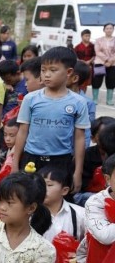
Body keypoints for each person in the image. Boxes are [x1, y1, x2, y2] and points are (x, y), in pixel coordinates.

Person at [11, 47, 89, 192]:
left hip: (60, 160)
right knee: (29, 197)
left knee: (55, 199)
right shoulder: (31, 99)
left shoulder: (78, 102)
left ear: (69, 72)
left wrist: (77, 172)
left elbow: (79, 138)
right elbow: (22, 132)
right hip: (31, 158)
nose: (46, 75)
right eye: (43, 70)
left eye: (53, 70)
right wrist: (15, 163)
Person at [93, 22, 115, 104]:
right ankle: (95, 99)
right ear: (104, 30)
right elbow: (97, 51)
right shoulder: (98, 40)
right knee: (97, 80)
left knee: (111, 80)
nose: (109, 30)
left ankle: (109, 100)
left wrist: (111, 60)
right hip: (100, 63)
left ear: (113, 30)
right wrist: (106, 60)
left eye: (111, 28)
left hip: (112, 64)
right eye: (107, 28)